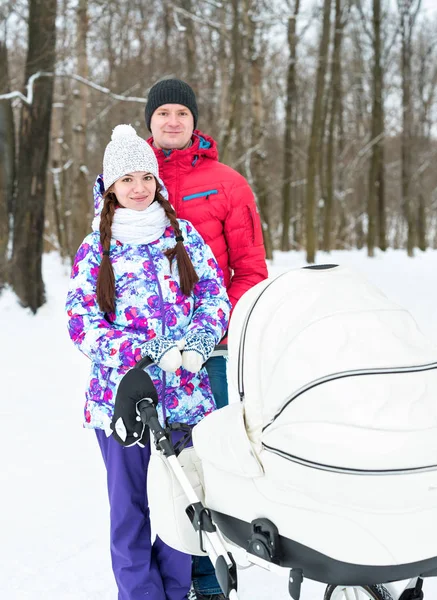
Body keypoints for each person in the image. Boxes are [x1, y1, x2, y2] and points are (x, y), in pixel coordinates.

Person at [66, 124, 230, 600]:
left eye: (145, 177)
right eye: (126, 180)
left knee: (184, 506)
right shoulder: (97, 247)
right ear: (110, 188)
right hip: (122, 403)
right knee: (131, 510)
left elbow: (213, 294)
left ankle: (177, 591)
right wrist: (141, 350)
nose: (138, 188)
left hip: (184, 400)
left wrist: (201, 338)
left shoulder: (182, 235)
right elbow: (81, 323)